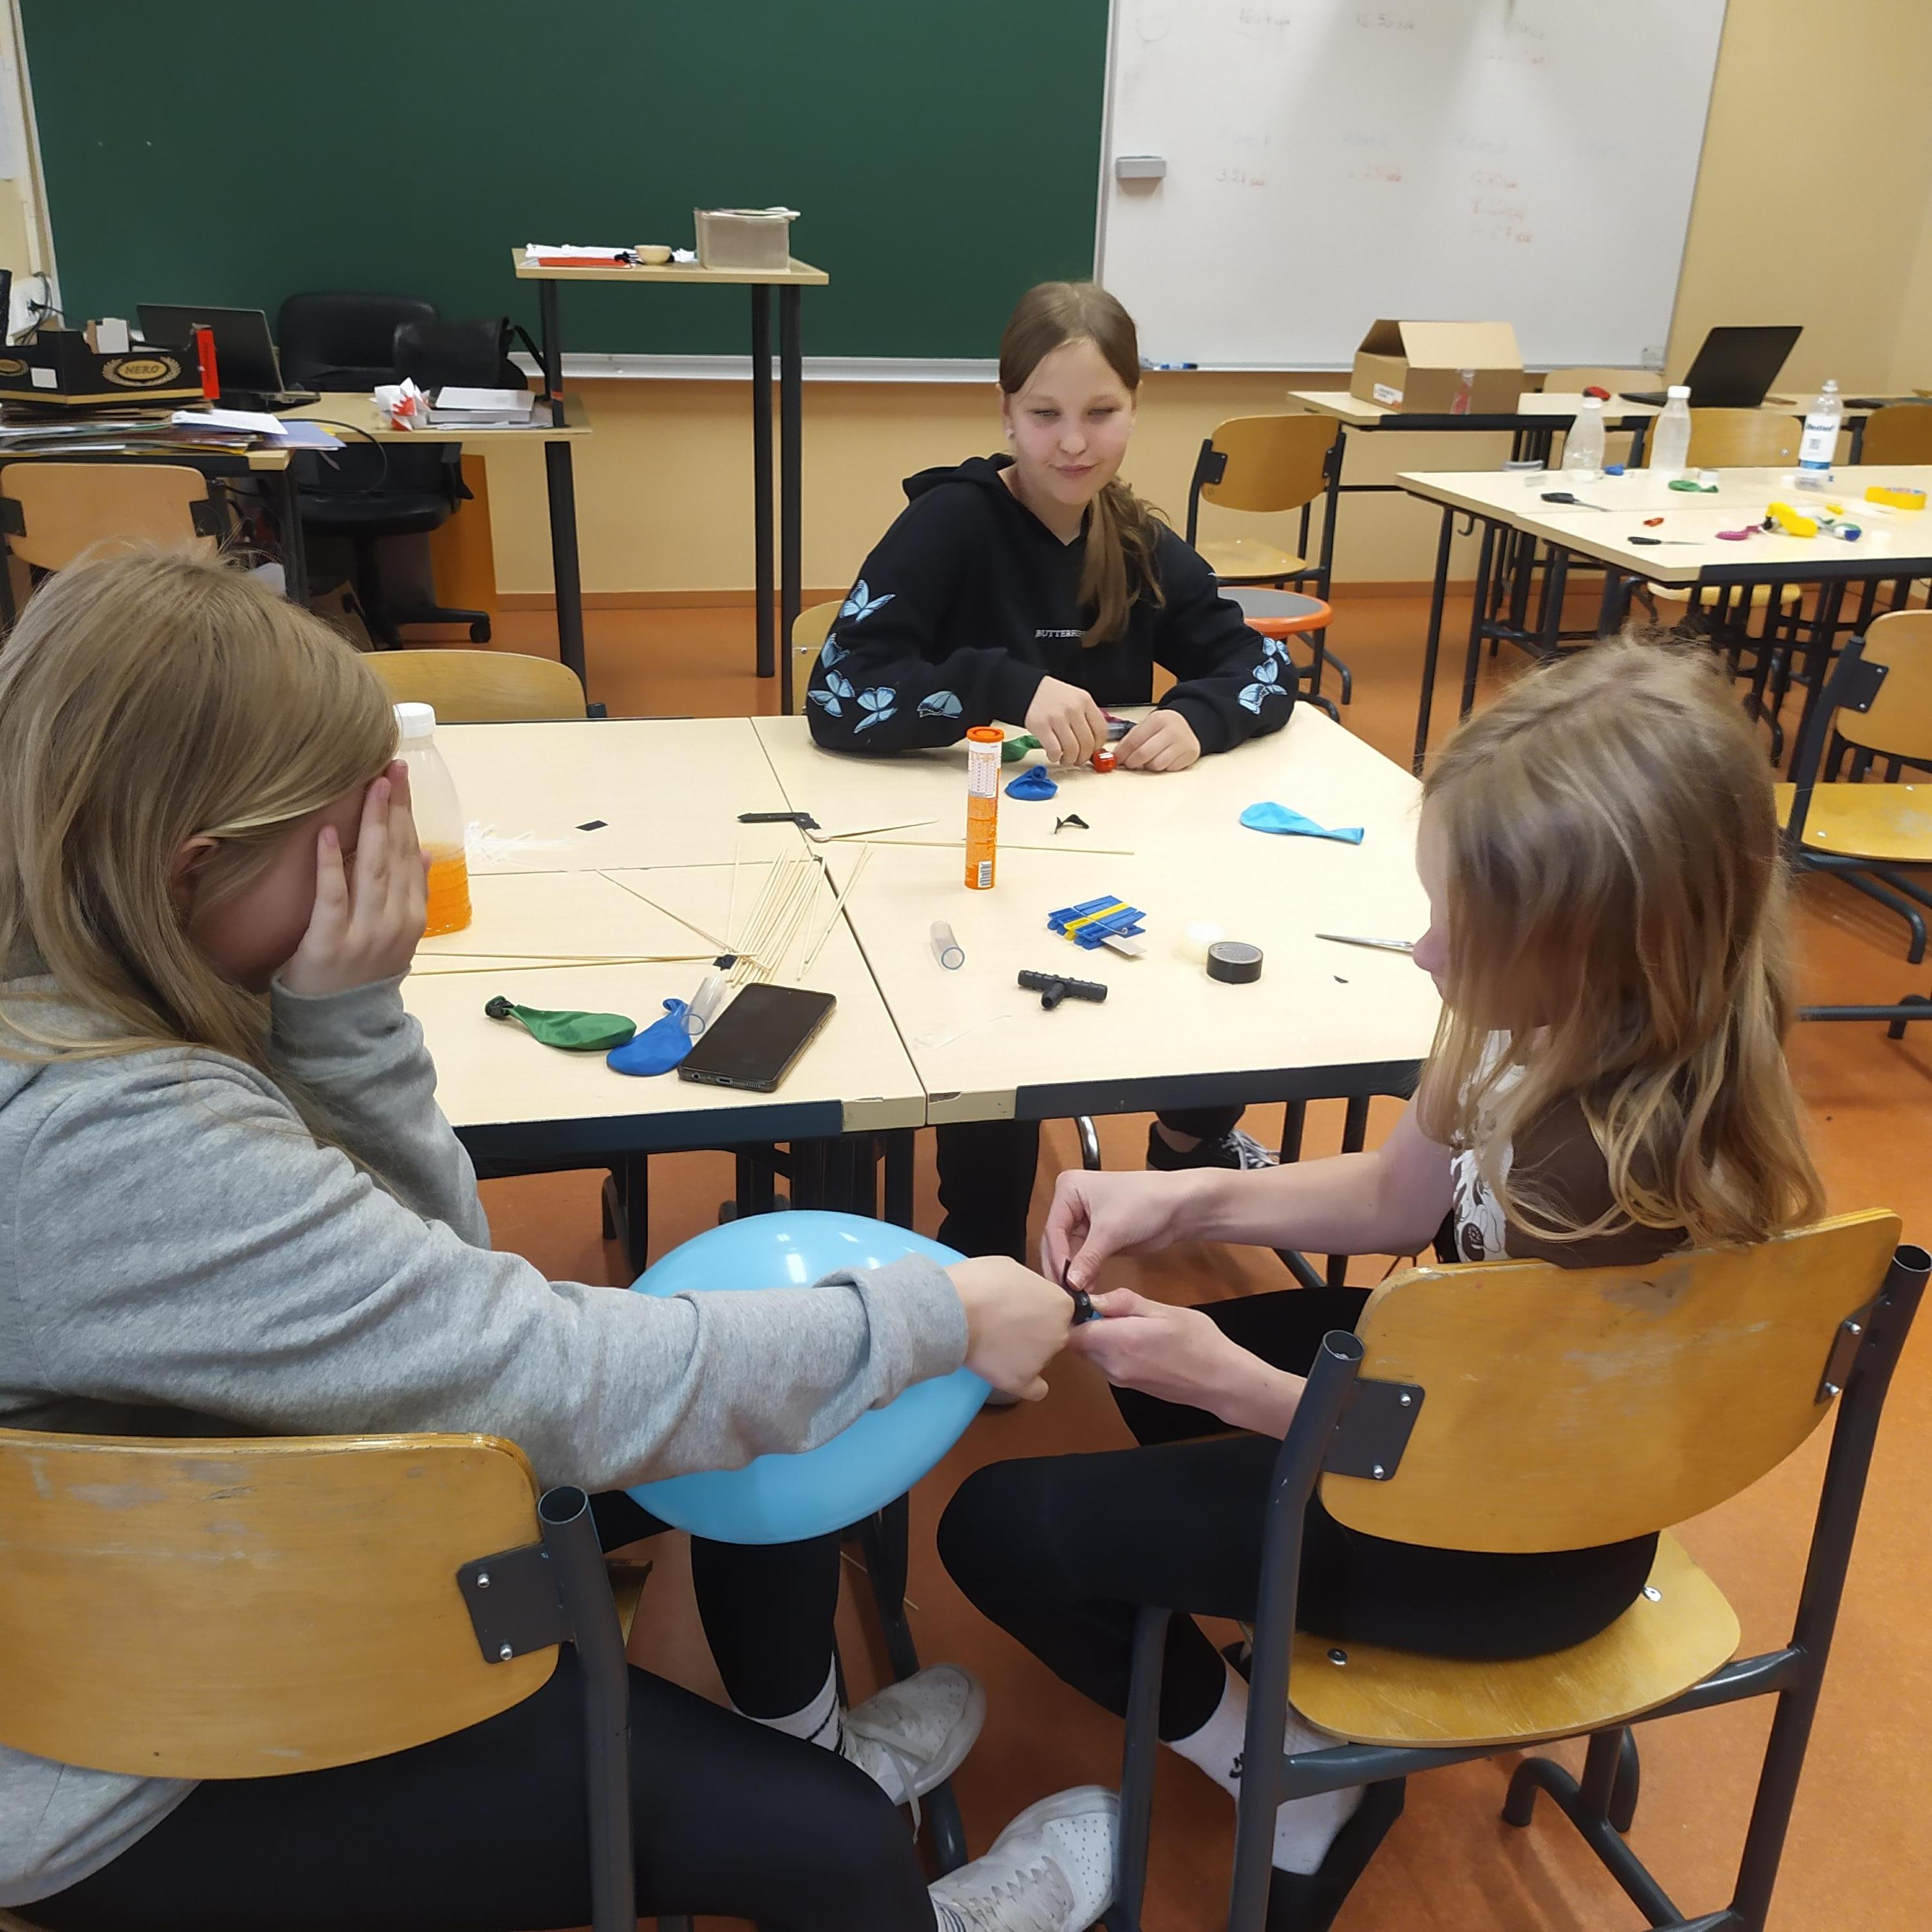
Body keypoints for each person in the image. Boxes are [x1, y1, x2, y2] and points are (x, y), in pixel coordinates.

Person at [0, 550, 1116, 1932]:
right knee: (833, 1853)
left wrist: (339, 1027)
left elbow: (434, 1302)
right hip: (133, 1748)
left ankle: (806, 1745)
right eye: (350, 843)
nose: (388, 872)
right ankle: (878, 1867)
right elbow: (531, 1379)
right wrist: (937, 1317)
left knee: (762, 1417)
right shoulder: (106, 1142)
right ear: (191, 871)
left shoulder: (97, 997)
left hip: (233, 1541)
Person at [934, 642, 1825, 1931]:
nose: (1422, 949)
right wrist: (1178, 1200)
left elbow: (1484, 1457)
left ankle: (1293, 1785)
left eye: (1465, 926)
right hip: (1488, 1412)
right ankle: (1287, 1679)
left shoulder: (1611, 1166)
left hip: (1522, 1537)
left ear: (1599, 945)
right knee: (1156, 1379)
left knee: (998, 1529)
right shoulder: (1555, 1019)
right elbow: (1400, 1201)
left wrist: (1237, 1385)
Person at [805, 281, 1297, 1260]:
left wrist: (1198, 715)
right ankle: (986, 1246)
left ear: (1136, 410)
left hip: (1103, 855)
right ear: (1006, 414)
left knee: (1227, 953)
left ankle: (1187, 1143)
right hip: (958, 863)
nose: (1073, 444)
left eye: (1101, 413)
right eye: (1045, 415)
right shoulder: (951, 525)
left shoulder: (1135, 537)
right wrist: (998, 685)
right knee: (999, 1027)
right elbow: (838, 694)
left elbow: (1264, 664)